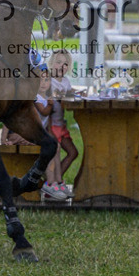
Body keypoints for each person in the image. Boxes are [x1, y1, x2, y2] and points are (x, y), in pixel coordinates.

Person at [45, 49, 79, 200]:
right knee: (55, 154)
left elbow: (70, 91)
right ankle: (52, 183)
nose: (62, 66)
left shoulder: (65, 81)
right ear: (51, 64)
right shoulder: (48, 82)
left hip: (61, 126)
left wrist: (80, 93)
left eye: (65, 64)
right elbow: (48, 106)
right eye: (58, 62)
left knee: (73, 152)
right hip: (51, 126)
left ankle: (58, 182)